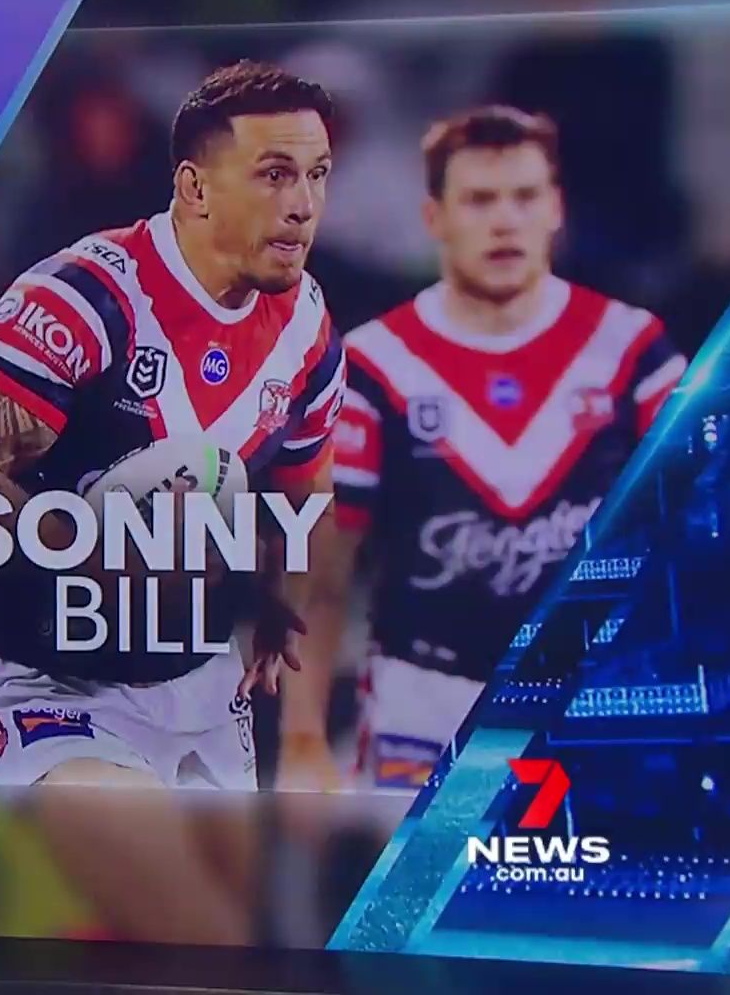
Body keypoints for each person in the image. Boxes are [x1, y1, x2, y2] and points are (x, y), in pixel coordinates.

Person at [0, 60, 345, 944]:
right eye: (274, 174)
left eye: (317, 175)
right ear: (195, 186)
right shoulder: (83, 299)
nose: (303, 205)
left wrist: (280, 595)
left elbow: (307, 495)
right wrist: (91, 544)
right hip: (53, 683)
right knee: (205, 944)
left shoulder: (307, 325)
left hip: (202, 682)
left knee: (240, 946)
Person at [293, 106, 686, 793]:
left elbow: (699, 540)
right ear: (434, 218)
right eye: (479, 200)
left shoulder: (633, 349)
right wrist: (301, 740)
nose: (505, 221)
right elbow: (321, 573)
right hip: (421, 711)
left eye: (524, 197)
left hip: (596, 695)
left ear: (556, 209)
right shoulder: (371, 364)